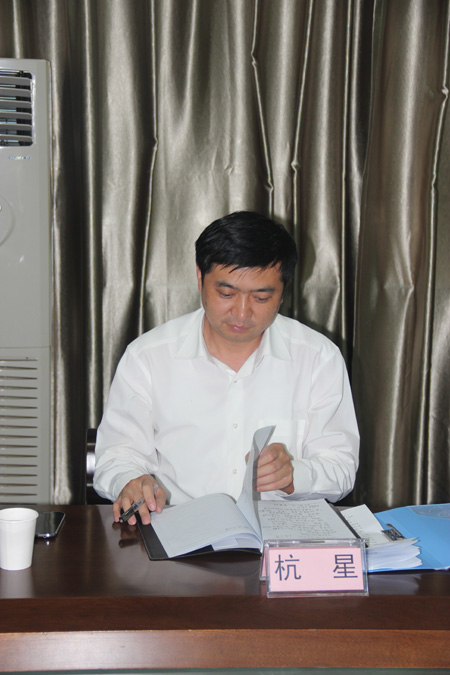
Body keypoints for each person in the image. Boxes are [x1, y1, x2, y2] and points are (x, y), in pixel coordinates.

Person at [94, 211, 359, 525]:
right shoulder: (148, 357)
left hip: (282, 536)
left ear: (283, 291)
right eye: (226, 294)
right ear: (200, 277)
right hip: (180, 531)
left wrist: (294, 475)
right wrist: (130, 480)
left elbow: (341, 466)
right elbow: (117, 454)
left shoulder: (318, 358)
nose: (242, 313)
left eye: (261, 297)